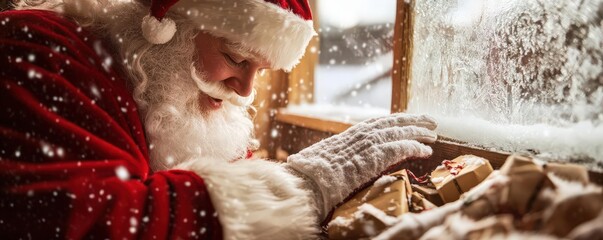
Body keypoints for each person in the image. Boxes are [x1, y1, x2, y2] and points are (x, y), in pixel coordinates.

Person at [0, 0, 437, 239]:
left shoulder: (166, 85)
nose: (246, 90)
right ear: (168, 26)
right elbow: (77, 221)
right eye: (235, 58)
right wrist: (296, 189)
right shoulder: (38, 48)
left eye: (260, 72)